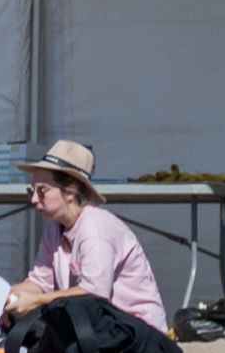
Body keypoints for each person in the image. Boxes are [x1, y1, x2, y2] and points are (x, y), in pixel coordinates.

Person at [12, 138, 173, 334]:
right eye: (32, 191)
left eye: (42, 190)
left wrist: (34, 301)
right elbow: (39, 282)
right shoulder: (54, 229)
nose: (34, 199)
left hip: (139, 332)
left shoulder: (95, 229)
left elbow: (93, 294)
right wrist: (5, 297)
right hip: (103, 328)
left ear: (70, 191)